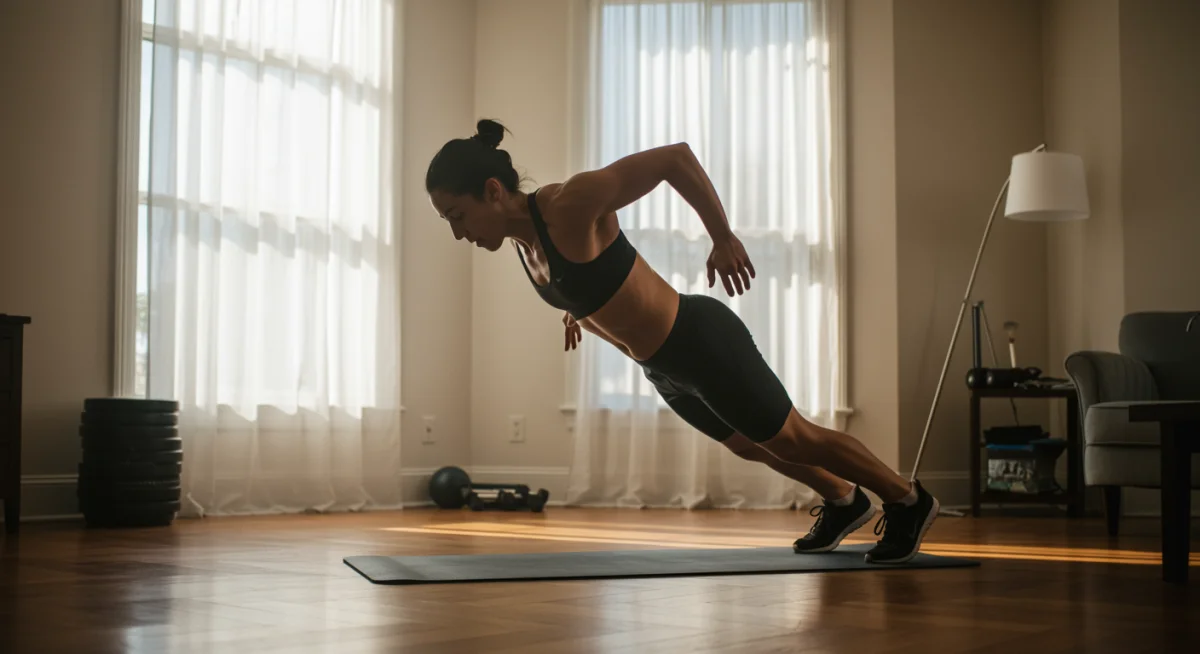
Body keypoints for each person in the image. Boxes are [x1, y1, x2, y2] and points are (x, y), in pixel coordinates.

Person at [425, 119, 939, 564]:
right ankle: (844, 500)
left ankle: (908, 499)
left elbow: (675, 158)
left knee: (793, 438)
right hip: (663, 368)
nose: (457, 233)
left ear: (493, 190)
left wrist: (722, 237)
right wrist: (573, 310)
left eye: (457, 215)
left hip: (698, 340)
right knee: (750, 447)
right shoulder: (525, 247)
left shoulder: (568, 204)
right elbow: (591, 281)